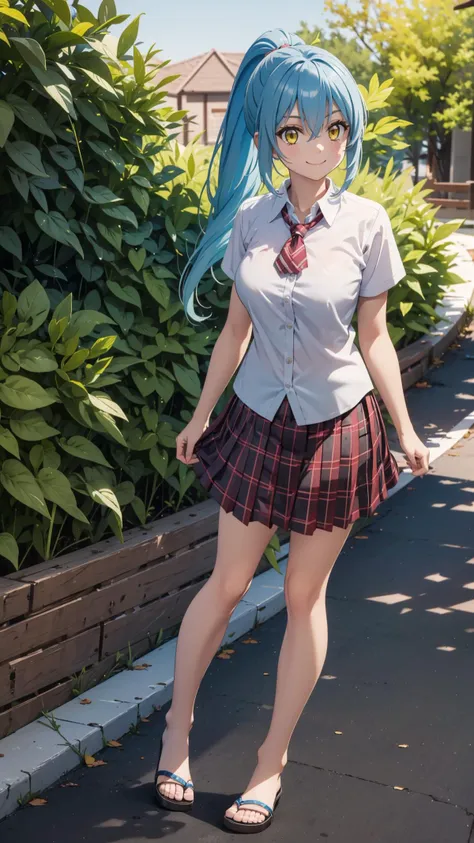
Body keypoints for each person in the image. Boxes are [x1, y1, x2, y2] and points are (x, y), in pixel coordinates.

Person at [154, 28, 431, 833]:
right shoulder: (250, 220)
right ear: (273, 137)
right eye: (296, 130)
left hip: (336, 426)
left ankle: (270, 761)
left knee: (304, 594)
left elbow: (374, 335)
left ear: (348, 130)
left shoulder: (369, 223)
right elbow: (234, 329)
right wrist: (203, 414)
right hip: (253, 417)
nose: (317, 145)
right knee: (230, 581)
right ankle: (177, 731)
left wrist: (406, 428)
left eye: (333, 128)